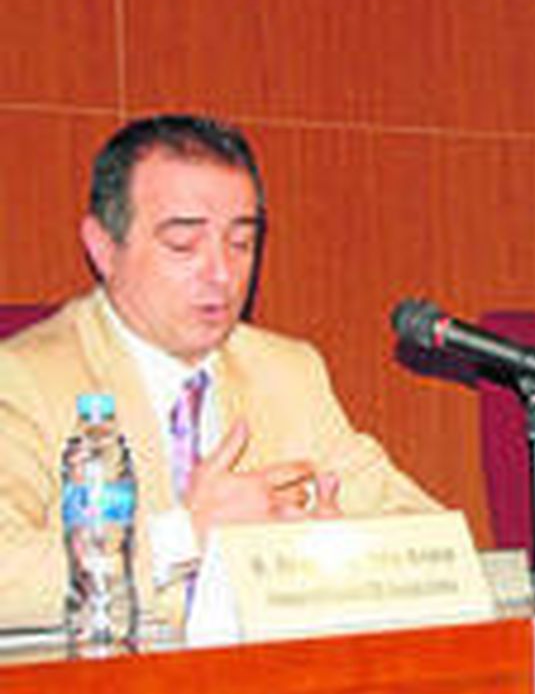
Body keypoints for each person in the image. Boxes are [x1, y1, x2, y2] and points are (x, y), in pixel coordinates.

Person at [0, 114, 440, 629]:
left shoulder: (288, 372)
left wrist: (338, 551)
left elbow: (428, 536)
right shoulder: (24, 379)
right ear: (103, 248)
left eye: (241, 244)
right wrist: (184, 536)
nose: (221, 273)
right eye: (183, 245)